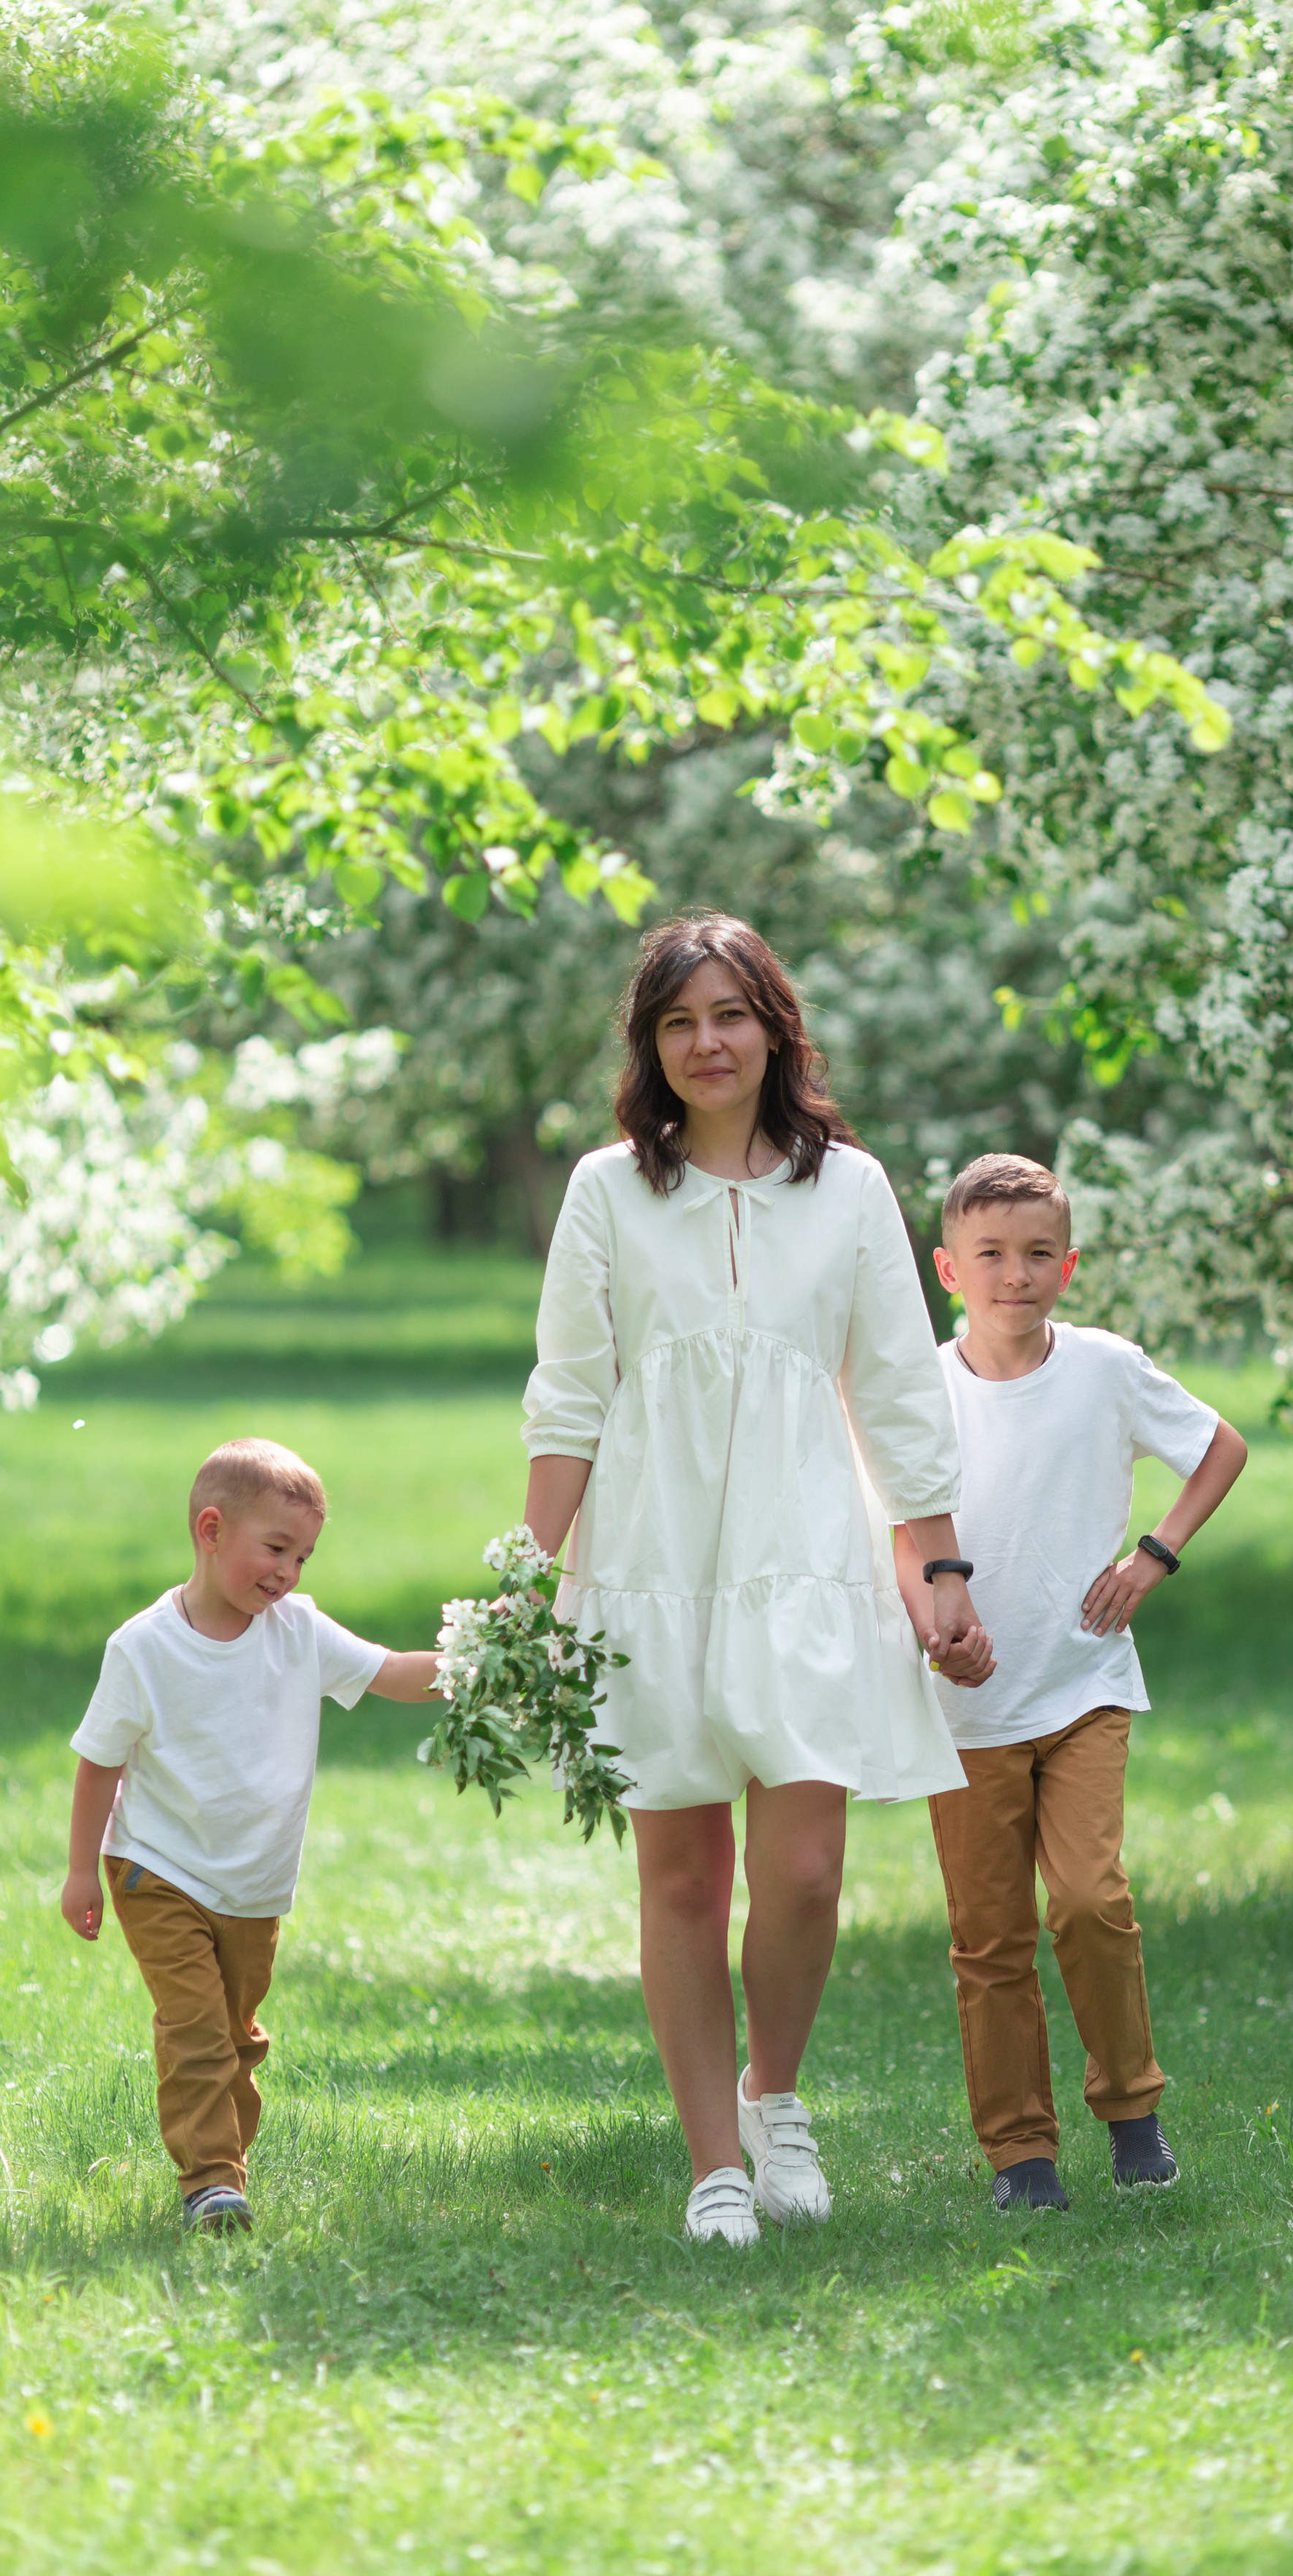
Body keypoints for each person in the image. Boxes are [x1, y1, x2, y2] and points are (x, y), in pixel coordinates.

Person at [521, 912, 991, 2246]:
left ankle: (773, 2093)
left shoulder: (848, 1189)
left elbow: (899, 1391)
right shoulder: (607, 1190)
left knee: (802, 1865)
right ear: (649, 1047)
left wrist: (939, 1564)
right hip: (649, 1554)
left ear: (773, 1027)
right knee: (678, 1872)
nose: (705, 1043)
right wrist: (526, 1570)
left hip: (805, 1551)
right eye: (678, 1023)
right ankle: (715, 2164)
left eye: (728, 1014)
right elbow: (570, 1393)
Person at [895, 1154, 1248, 2209]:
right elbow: (892, 1534)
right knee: (990, 1937)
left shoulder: (1104, 1368)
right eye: (992, 1255)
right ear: (948, 1269)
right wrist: (934, 1628)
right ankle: (1022, 2157)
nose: (1017, 1274)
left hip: (1086, 1684)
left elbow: (1219, 1448)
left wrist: (1155, 1556)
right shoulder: (916, 1393)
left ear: (1069, 1264)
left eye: (1038, 1254)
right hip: (965, 1709)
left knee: (1093, 1902)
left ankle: (1132, 2112)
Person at [60, 1438, 439, 2234]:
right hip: (155, 1869)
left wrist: (480, 1658)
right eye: (275, 1549)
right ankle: (211, 2183)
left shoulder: (296, 1631)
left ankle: (224, 2162)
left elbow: (394, 1674)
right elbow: (99, 1764)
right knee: (195, 2029)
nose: (290, 1573)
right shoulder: (144, 1647)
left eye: (303, 1556)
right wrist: (81, 1873)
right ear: (211, 1529)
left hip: (254, 1885)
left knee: (234, 2038)